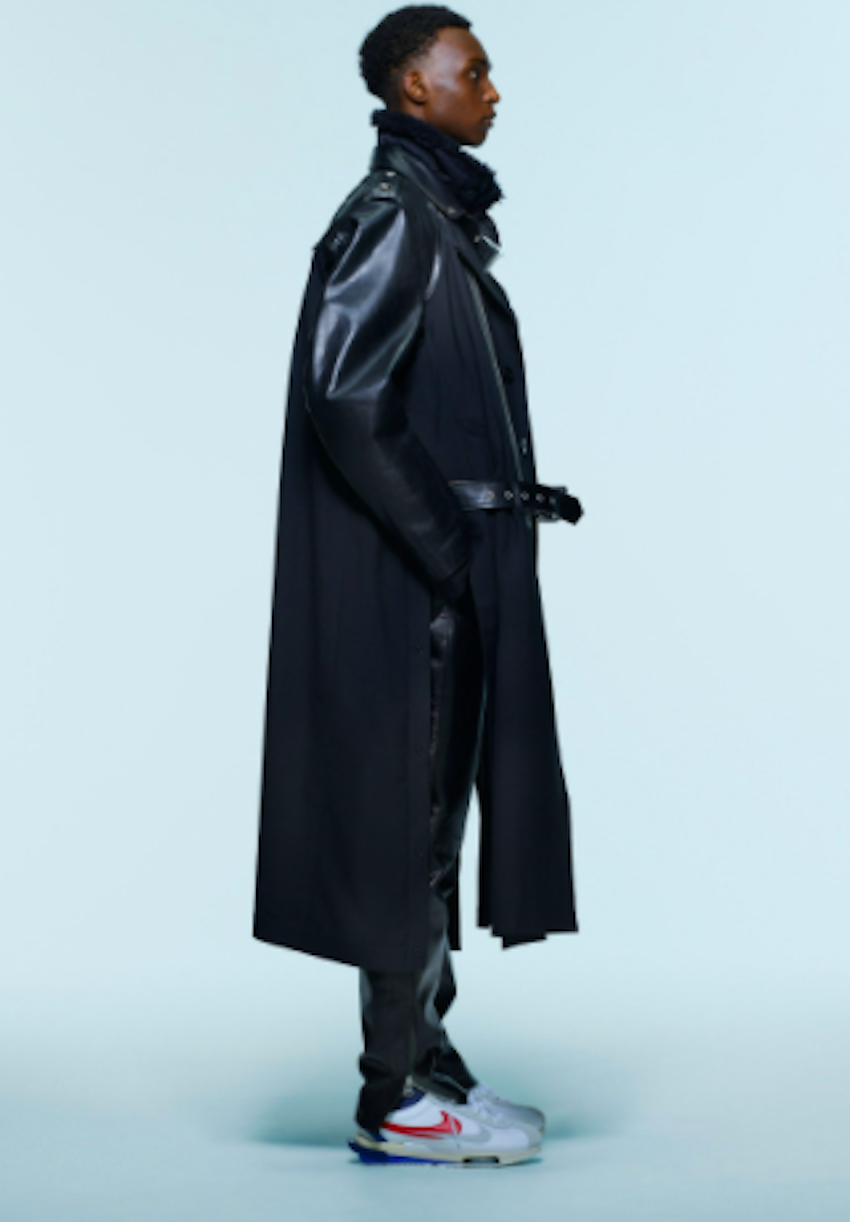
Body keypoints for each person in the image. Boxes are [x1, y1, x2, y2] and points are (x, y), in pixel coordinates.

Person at [253, 5, 583, 1166]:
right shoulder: (393, 216)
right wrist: (447, 547)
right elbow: (344, 395)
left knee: (434, 827)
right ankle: (392, 1097)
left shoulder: (433, 214)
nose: (492, 90)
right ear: (411, 89)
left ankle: (426, 1062)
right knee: (409, 832)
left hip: (448, 583)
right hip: (417, 595)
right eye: (471, 71)